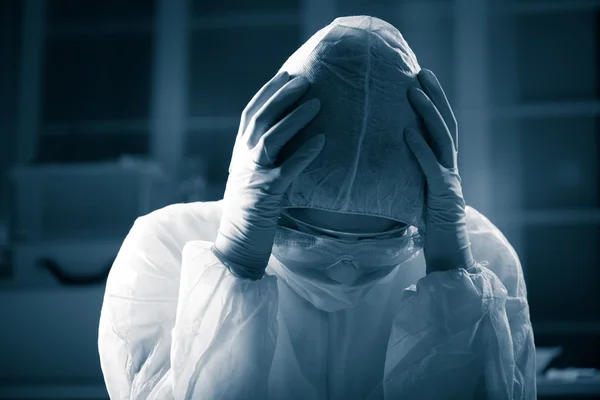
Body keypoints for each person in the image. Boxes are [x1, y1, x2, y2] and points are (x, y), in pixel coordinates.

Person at [98, 16, 536, 399]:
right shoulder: (164, 250)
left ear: (419, 220)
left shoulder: (482, 258)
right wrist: (235, 263)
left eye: (379, 243)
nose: (343, 272)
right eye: (307, 236)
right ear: (266, 193)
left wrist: (451, 279)